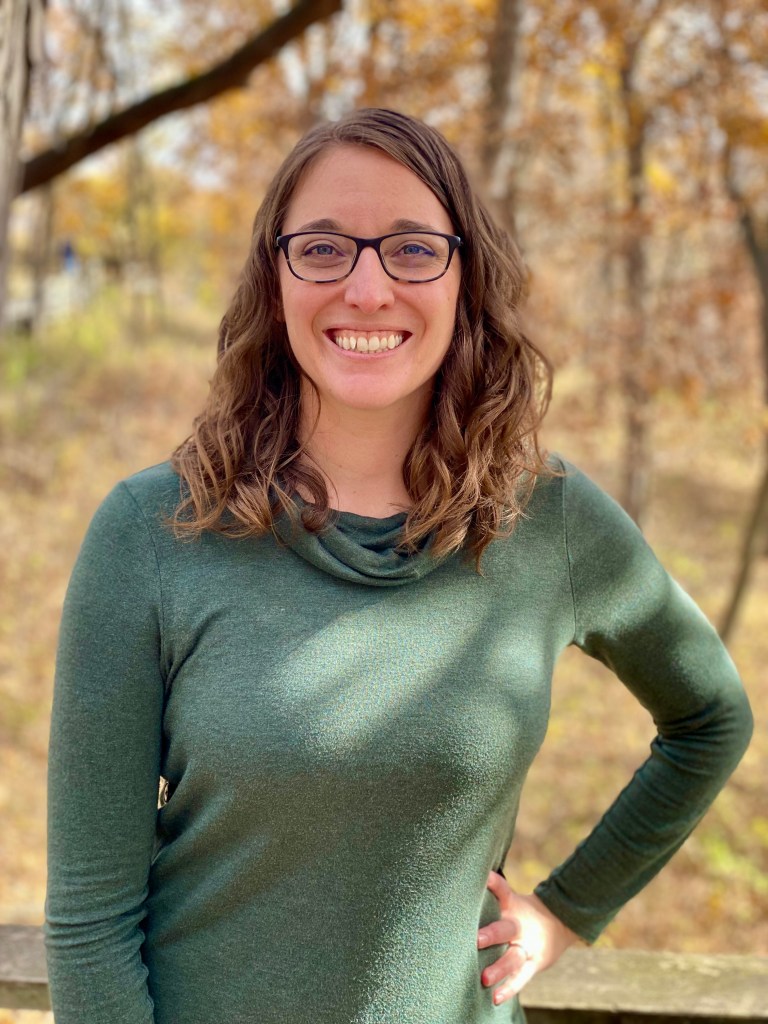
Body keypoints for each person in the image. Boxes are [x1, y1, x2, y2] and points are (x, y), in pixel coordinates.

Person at [45, 108, 753, 1024]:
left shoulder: (547, 521)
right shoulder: (154, 531)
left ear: (467, 277)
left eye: (413, 249)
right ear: (275, 277)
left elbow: (710, 718)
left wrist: (570, 911)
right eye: (326, 248)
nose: (368, 289)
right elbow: (91, 923)